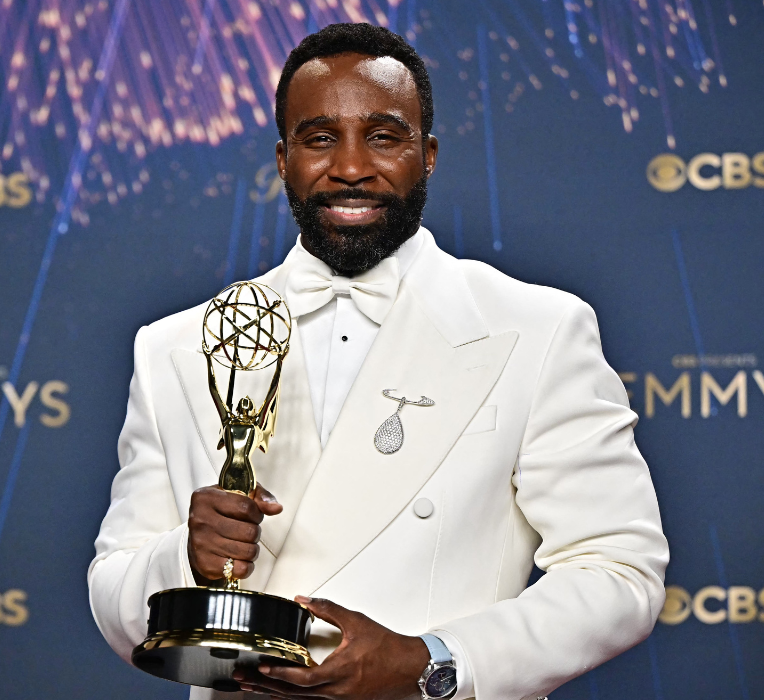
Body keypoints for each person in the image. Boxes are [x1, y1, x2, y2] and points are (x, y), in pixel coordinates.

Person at [89, 22, 668, 700]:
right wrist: (183, 557)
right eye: (320, 138)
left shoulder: (534, 330)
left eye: (384, 136)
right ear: (283, 160)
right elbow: (114, 594)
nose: (351, 166)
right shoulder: (176, 346)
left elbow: (617, 573)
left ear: (427, 156)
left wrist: (432, 664)